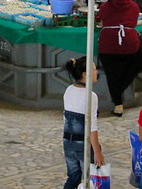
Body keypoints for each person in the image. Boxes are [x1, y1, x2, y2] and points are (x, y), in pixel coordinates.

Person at [98, 0, 142, 117]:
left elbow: (102, 19)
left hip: (107, 47)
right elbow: (133, 22)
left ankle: (118, 104)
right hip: (129, 46)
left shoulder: (105, 7)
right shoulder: (134, 7)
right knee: (140, 54)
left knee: (112, 76)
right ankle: (120, 92)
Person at [62, 57, 105, 189]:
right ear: (85, 74)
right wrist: (97, 151)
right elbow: (92, 126)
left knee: (73, 177)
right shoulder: (91, 96)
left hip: (67, 142)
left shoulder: (68, 90)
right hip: (83, 144)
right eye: (93, 69)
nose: (96, 72)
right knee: (90, 180)